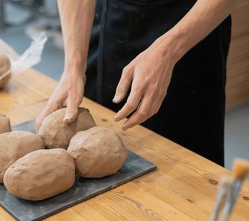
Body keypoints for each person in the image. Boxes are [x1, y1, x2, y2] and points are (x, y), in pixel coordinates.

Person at [35, 0, 241, 167]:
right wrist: (73, 64)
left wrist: (169, 51)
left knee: (183, 172)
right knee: (92, 149)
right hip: (112, 19)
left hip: (189, 29)